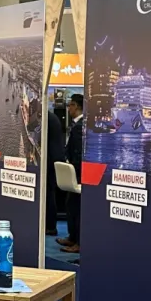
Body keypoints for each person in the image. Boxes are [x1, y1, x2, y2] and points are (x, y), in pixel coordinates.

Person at [58, 94, 83, 252]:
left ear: (77, 106)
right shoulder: (76, 125)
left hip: (79, 173)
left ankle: (78, 242)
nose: (68, 109)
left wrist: (76, 170)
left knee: (77, 207)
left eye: (71, 105)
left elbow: (78, 152)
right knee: (71, 205)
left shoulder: (80, 126)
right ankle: (72, 237)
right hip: (75, 172)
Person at [45, 103, 66, 237]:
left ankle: (50, 226)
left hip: (49, 162)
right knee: (49, 194)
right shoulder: (52, 118)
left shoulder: (47, 119)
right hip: (53, 160)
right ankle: (50, 225)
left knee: (48, 194)